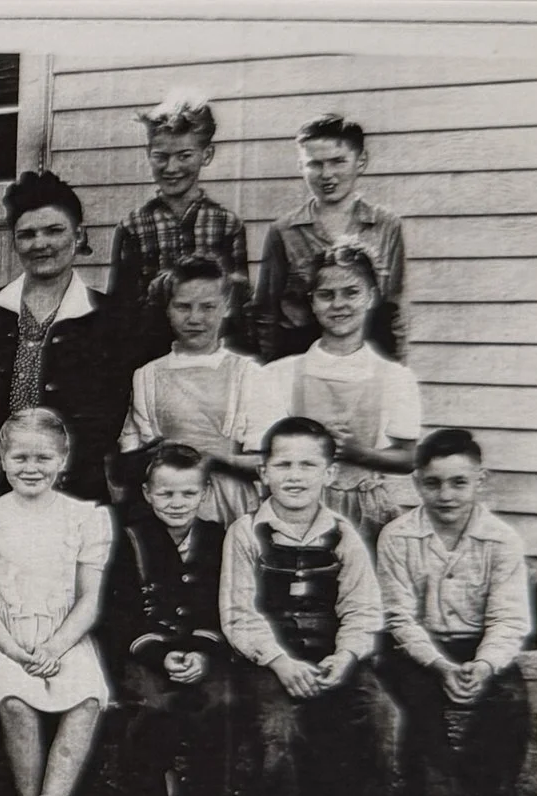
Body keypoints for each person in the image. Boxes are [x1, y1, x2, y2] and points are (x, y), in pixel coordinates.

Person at [220, 417, 394, 796]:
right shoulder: (245, 533)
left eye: (307, 465)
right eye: (283, 464)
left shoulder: (343, 534)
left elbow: (362, 607)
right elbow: (237, 612)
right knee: (278, 727)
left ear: (329, 474)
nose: (295, 476)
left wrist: (347, 655)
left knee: (378, 713)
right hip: (269, 659)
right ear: (263, 472)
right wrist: (278, 661)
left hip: (331, 655)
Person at [374, 429, 534, 796]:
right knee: (422, 717)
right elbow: (397, 616)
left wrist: (484, 665)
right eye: (434, 483)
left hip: (481, 649)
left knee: (509, 708)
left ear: (480, 482)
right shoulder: (398, 536)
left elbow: (510, 618)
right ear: (417, 483)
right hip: (416, 650)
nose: (446, 495)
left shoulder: (502, 540)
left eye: (459, 482)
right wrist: (439, 666)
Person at [0, 408, 113, 796]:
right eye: (20, 457)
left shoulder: (85, 519)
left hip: (64, 636)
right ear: (3, 460)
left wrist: (54, 647)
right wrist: (17, 650)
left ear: (63, 460)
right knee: (16, 703)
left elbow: (88, 600)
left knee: (86, 701)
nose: (31, 468)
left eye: (44, 458)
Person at [0, 169, 136, 509]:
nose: (40, 243)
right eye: (27, 234)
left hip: (74, 490)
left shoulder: (109, 319)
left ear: (78, 235)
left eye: (54, 230)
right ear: (14, 241)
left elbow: (112, 415)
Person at [103, 444, 243, 796]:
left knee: (221, 702)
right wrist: (158, 654)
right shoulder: (127, 537)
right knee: (153, 706)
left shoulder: (219, 539)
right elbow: (118, 612)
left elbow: (224, 605)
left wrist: (202, 652)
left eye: (187, 493)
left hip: (203, 655)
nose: (177, 503)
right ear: (147, 493)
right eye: (166, 494)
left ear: (205, 493)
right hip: (145, 654)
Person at [243, 244, 419, 541]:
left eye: (351, 292)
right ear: (311, 303)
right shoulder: (279, 374)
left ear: (371, 297)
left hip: (365, 513)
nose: (339, 304)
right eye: (326, 295)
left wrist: (357, 452)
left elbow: (407, 457)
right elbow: (260, 456)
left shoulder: (394, 376)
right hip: (294, 511)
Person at [254, 113, 409, 362]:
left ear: (361, 161)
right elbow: (266, 313)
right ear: (300, 167)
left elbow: (394, 308)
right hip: (298, 359)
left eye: (338, 161)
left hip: (364, 359)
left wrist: (396, 369)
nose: (327, 174)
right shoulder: (284, 231)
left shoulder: (386, 226)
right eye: (315, 164)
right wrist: (269, 373)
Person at [119, 254, 261, 522]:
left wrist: (216, 458)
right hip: (166, 502)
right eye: (183, 307)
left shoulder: (248, 373)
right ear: (168, 308)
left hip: (229, 503)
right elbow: (130, 453)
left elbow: (268, 462)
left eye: (208, 307)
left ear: (226, 306)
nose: (195, 318)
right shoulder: (146, 376)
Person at [106, 93, 249, 358]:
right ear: (148, 154)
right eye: (161, 156)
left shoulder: (227, 225)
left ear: (206, 155)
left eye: (184, 155)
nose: (171, 167)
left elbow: (238, 303)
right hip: (151, 355)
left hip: (211, 354)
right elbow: (120, 309)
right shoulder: (133, 226)